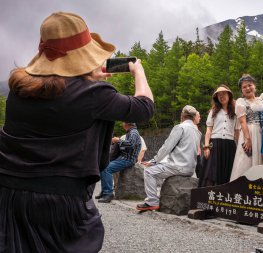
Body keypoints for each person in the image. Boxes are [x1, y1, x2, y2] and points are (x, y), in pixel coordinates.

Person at [0, 12, 154, 252]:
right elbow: (144, 108)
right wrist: (139, 73)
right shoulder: (94, 95)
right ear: (81, 57)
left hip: (10, 196)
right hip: (60, 202)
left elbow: (61, 95)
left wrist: (87, 79)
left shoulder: (19, 91)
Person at [137, 105, 201, 211]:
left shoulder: (180, 127)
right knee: (162, 168)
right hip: (190, 169)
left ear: (182, 116)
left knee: (149, 171)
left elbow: (167, 147)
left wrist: (154, 161)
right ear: (194, 117)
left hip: (178, 166)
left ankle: (152, 201)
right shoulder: (197, 132)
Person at [199, 85, 238, 186]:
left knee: (227, 171)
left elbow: (237, 131)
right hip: (214, 144)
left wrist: (239, 148)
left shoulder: (235, 112)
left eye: (224, 94)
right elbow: (208, 130)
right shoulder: (213, 111)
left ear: (229, 95)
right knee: (212, 172)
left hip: (230, 145)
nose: (222, 96)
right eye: (219, 95)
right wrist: (206, 147)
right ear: (216, 98)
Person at [97, 122, 142, 203]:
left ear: (128, 124)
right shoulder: (131, 132)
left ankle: (108, 193)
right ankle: (104, 192)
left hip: (128, 159)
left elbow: (130, 145)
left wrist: (118, 140)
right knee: (104, 166)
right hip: (123, 158)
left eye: (123, 123)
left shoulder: (133, 133)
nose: (122, 124)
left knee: (107, 168)